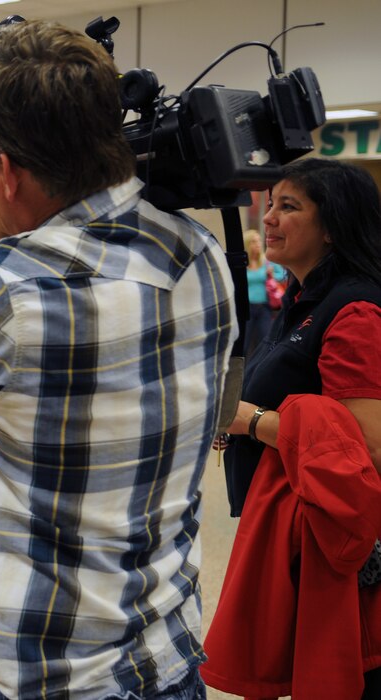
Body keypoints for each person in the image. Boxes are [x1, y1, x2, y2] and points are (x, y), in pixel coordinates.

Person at [0, 19, 236, 699]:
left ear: (4, 172)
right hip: (166, 656)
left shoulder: (6, 285)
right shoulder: (197, 252)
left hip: (48, 675)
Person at [205, 158, 381, 699]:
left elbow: (364, 445)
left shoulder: (353, 312)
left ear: (332, 226)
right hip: (300, 528)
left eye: (290, 207)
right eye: (270, 204)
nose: (270, 220)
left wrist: (247, 419)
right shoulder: (305, 300)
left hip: (336, 542)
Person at [243, 229, 285, 361]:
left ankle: (259, 371)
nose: (258, 244)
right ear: (247, 244)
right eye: (254, 242)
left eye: (259, 241)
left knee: (264, 340)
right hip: (246, 309)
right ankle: (241, 375)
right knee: (243, 344)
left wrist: (272, 274)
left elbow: (283, 274)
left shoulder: (266, 261)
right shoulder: (243, 263)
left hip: (264, 308)